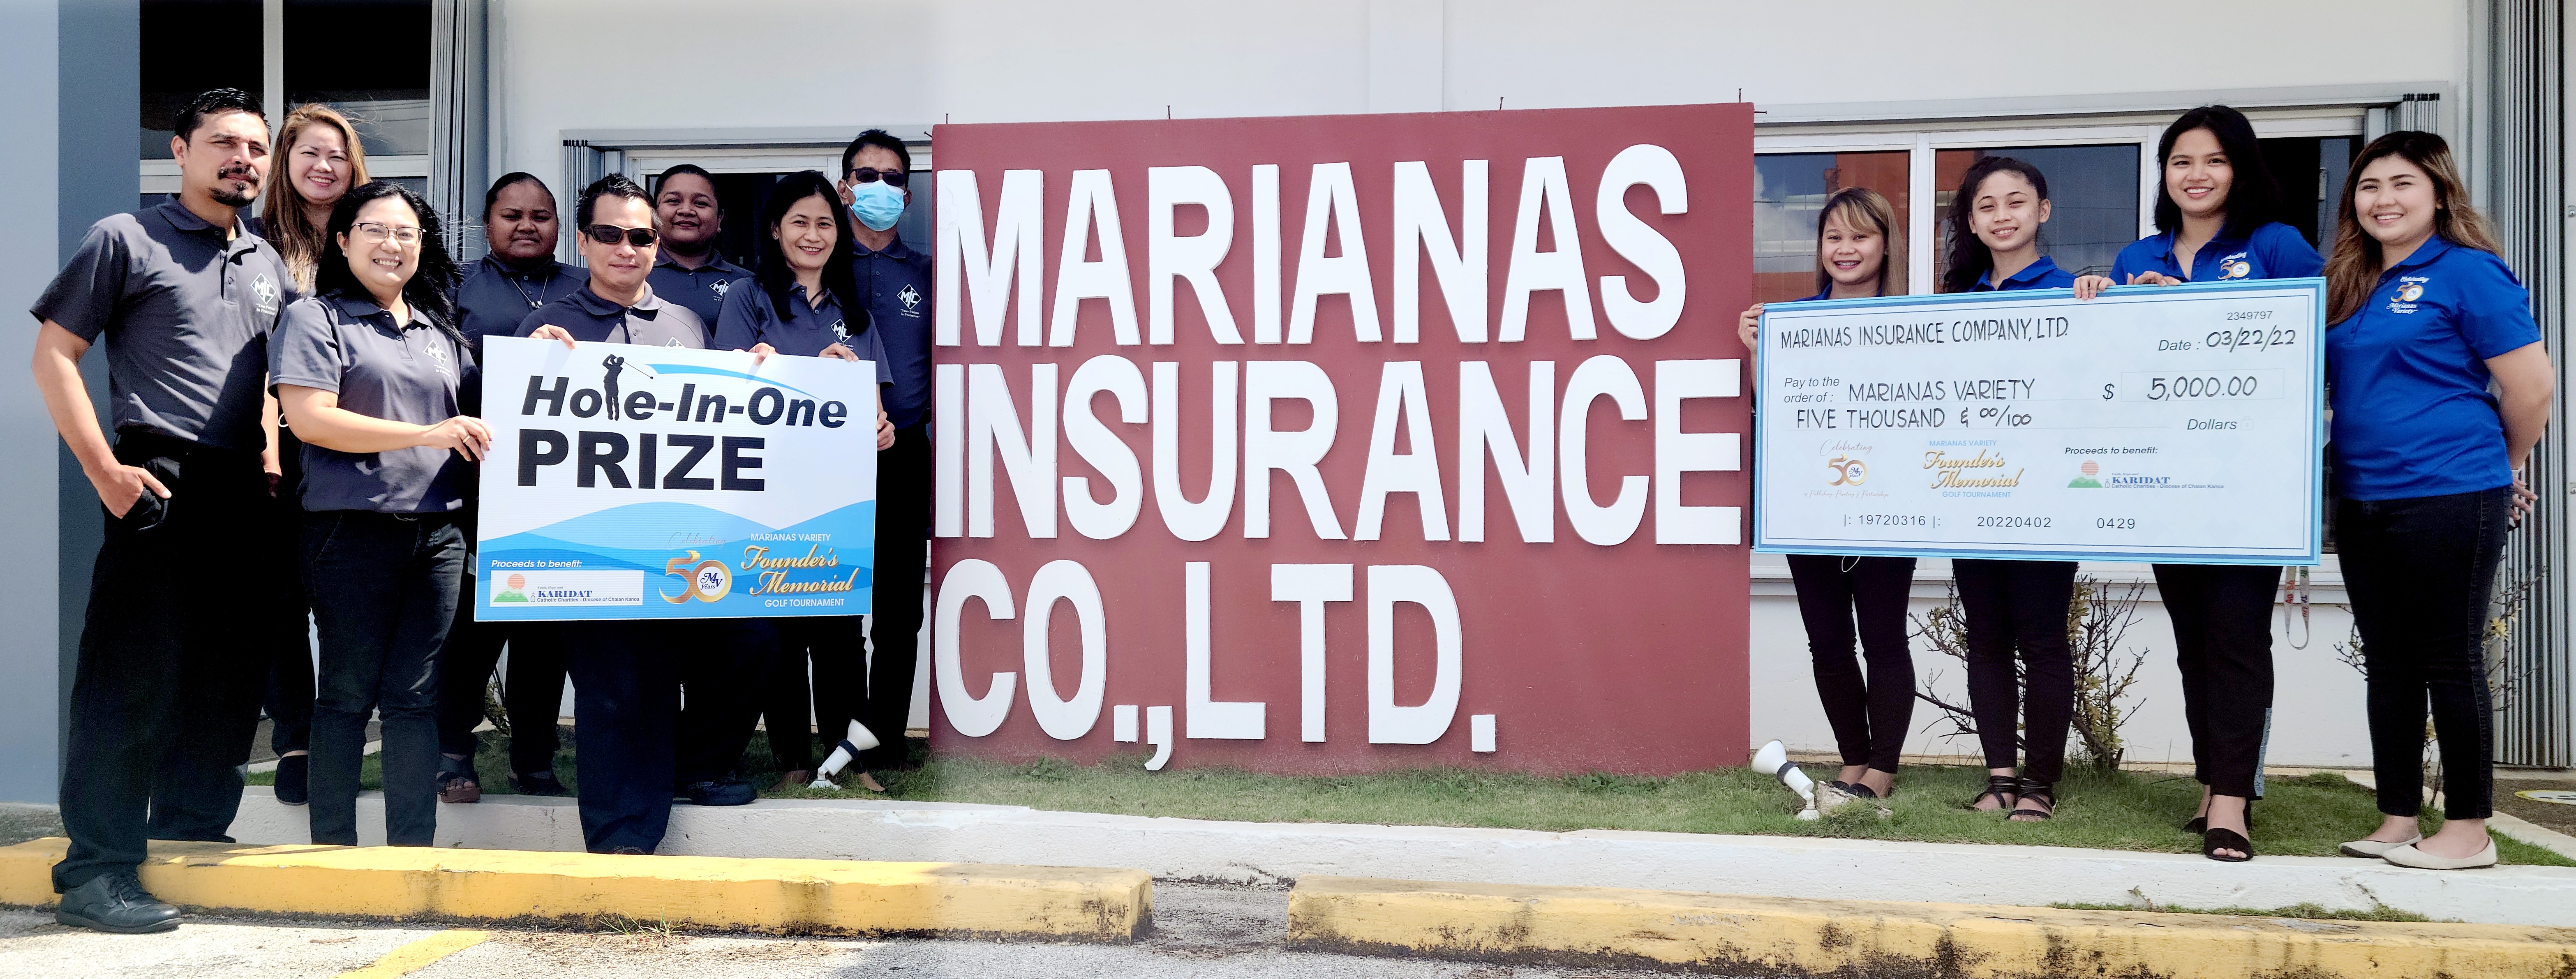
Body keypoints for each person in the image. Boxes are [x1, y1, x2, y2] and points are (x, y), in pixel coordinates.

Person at [30, 88, 292, 933]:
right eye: (223, 143)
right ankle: (97, 872)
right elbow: (55, 355)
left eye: (255, 146)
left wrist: (272, 448)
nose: (242, 158)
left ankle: (189, 832)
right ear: (180, 151)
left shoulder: (268, 262)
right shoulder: (125, 238)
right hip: (158, 473)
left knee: (224, 678)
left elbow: (266, 382)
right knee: (129, 678)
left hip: (243, 491)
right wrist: (105, 469)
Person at [2072, 106, 2321, 862]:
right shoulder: (2137, 254)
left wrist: (2189, 310)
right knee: (2192, 643)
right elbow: (2110, 369)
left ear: (2238, 169)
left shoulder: (2275, 245)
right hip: (2168, 489)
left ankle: (2234, 804)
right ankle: (2212, 783)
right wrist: (2102, 301)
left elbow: (2314, 341)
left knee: (2237, 638)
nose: (2196, 175)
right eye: (2181, 161)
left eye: (2212, 160)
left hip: (2251, 488)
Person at [515, 174, 772, 853]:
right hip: (591, 547)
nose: (626, 248)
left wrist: (764, 375)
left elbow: (723, 420)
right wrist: (531, 368)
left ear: (656, 243)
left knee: (747, 642)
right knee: (613, 695)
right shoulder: (547, 329)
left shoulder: (689, 323)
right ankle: (619, 837)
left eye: (640, 236)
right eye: (609, 234)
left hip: (682, 541)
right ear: (583, 240)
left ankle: (691, 768)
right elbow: (507, 427)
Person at [2322, 132, 2553, 871]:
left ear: (2439, 194)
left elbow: (2531, 388)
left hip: (2451, 489)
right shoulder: (2350, 283)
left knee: (2449, 659)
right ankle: (2397, 817)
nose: (2383, 200)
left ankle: (2468, 830)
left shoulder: (2469, 273)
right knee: (2388, 661)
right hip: (2362, 495)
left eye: (2401, 185)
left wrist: (2504, 466)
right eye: (2368, 186)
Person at [270, 180, 481, 848]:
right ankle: (335, 848)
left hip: (437, 532)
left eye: (407, 234)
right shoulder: (316, 318)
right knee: (346, 694)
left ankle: (411, 854)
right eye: (377, 230)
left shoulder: (437, 327)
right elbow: (310, 419)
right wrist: (422, 434)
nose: (393, 245)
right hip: (349, 531)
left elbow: (481, 410)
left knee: (416, 697)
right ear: (342, 240)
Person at [711, 170, 899, 791]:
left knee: (842, 638)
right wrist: (792, 370)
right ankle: (794, 759)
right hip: (762, 494)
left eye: (824, 223)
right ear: (775, 229)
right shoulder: (747, 297)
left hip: (835, 500)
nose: (813, 235)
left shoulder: (856, 315)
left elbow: (874, 410)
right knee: (780, 636)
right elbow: (727, 390)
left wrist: (880, 429)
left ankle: (851, 761)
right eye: (800, 221)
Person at [1735, 188, 1915, 805]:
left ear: (1884, 244)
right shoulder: (1792, 322)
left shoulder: (1912, 325)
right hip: (1809, 506)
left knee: (1884, 638)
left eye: (1860, 236)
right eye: (1833, 237)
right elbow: (1772, 416)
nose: (1846, 249)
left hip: (1886, 507)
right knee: (1829, 642)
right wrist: (1759, 352)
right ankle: (1854, 758)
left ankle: (1883, 766)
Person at [435, 173, 582, 803]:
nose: (527, 225)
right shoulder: (455, 284)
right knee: (472, 627)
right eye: (513, 214)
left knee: (544, 630)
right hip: (480, 481)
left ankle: (534, 757)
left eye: (542, 215)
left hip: (568, 487)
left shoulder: (583, 285)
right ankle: (453, 754)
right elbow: (442, 374)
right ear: (487, 220)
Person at [1940, 157, 2079, 824]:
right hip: (1973, 493)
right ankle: (1998, 776)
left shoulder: (2074, 292)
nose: (2002, 215)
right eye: (1986, 206)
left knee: (2043, 639)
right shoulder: (1953, 306)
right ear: (1971, 220)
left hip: (2046, 500)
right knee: (1987, 638)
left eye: (2015, 202)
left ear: (2042, 210)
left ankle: (2040, 784)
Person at [250, 104, 369, 809]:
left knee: (345, 594)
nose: (324, 167)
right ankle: (295, 733)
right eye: (309, 154)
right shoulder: (257, 245)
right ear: (285, 164)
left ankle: (337, 732)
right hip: (278, 445)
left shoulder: (380, 235)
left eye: (338, 155)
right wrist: (266, 446)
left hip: (358, 444)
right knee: (279, 599)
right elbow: (254, 360)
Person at [837, 129, 938, 784]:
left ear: (906, 192)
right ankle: (838, 742)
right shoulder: (816, 263)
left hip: (903, 455)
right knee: (833, 604)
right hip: (824, 462)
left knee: (899, 608)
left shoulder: (929, 273)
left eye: (892, 177)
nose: (879, 187)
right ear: (844, 185)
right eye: (865, 174)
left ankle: (886, 739)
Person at [646, 164, 752, 325]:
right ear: (654, 214)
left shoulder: (748, 284)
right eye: (674, 201)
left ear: (719, 219)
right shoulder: (633, 274)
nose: (686, 210)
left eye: (701, 204)